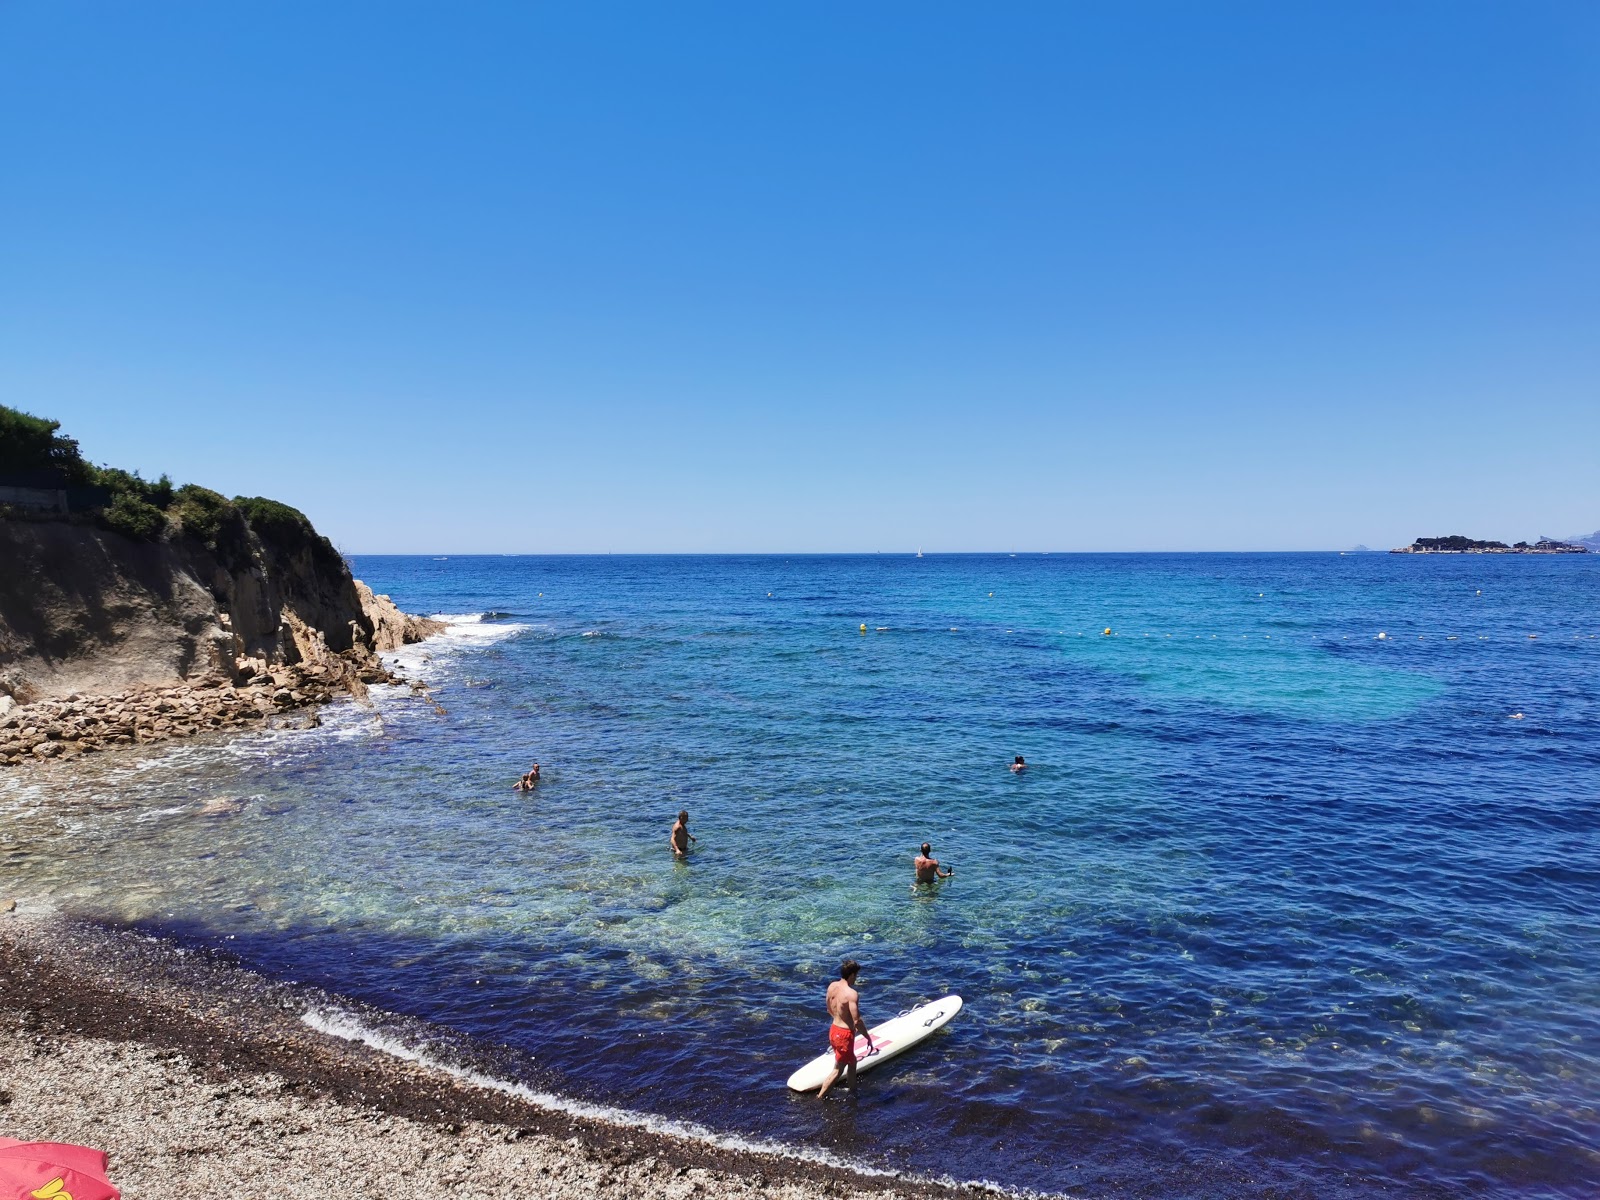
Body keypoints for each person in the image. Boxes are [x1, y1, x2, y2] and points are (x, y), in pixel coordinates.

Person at [817, 959, 874, 1099]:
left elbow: (828, 1008)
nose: (856, 979)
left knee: (852, 1062)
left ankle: (853, 1092)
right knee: (838, 1069)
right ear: (852, 975)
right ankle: (819, 1098)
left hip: (834, 1029)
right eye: (856, 975)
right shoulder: (851, 994)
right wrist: (867, 1037)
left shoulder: (832, 987)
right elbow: (857, 1021)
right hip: (844, 1035)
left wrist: (839, 1019)